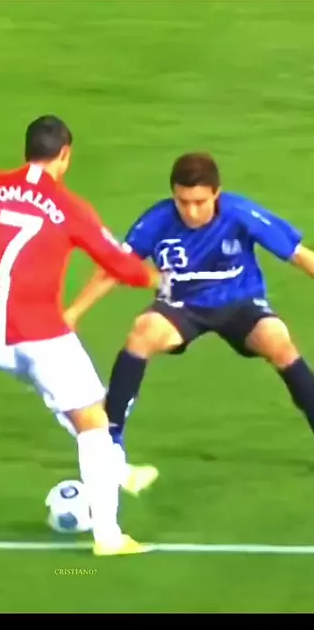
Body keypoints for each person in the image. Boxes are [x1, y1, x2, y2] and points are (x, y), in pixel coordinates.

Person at [0, 115, 160, 557]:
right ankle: (108, 535)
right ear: (65, 154)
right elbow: (120, 264)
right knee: (94, 420)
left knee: (68, 400)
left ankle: (119, 472)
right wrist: (155, 279)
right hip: (41, 337)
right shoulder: (69, 207)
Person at [64, 151, 314, 460]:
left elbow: (299, 255)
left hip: (239, 302)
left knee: (278, 341)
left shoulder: (241, 213)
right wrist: (74, 312)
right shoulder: (157, 220)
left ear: (216, 193)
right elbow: (115, 267)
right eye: (183, 202)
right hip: (182, 305)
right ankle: (110, 440)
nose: (192, 212)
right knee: (143, 332)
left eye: (200, 202)